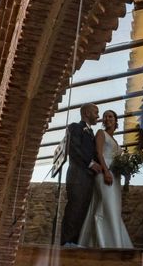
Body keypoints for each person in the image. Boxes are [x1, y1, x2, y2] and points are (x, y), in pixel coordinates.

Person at [78, 109, 133, 248]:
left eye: (110, 116)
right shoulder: (101, 133)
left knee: (112, 208)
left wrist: (126, 171)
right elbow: (98, 153)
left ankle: (99, 243)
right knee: (106, 206)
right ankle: (108, 245)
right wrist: (106, 171)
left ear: (115, 120)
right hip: (104, 174)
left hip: (115, 177)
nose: (106, 119)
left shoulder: (115, 140)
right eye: (104, 117)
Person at [60, 103, 102, 246]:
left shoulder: (91, 133)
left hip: (88, 179)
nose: (98, 115)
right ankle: (66, 243)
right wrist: (91, 164)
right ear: (86, 113)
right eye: (96, 112)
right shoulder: (75, 127)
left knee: (83, 211)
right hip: (77, 176)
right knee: (74, 209)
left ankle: (75, 243)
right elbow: (74, 149)